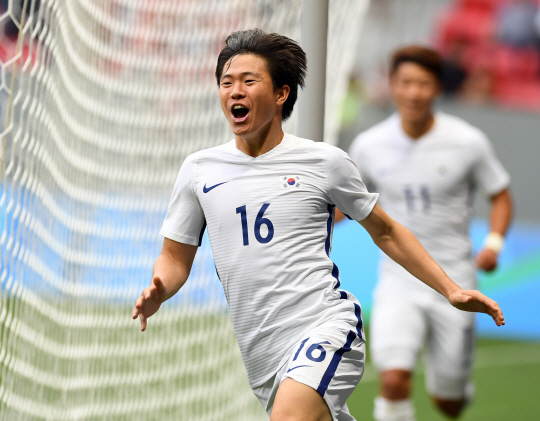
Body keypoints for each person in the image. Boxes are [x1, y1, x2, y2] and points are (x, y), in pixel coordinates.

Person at [132, 31, 504, 421]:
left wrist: (451, 290)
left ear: (281, 94)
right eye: (227, 82)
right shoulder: (198, 170)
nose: (235, 91)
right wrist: (160, 289)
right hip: (260, 350)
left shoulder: (324, 162)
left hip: (325, 325)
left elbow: (386, 231)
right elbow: (174, 257)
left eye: (248, 81)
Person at [340, 46, 513, 421]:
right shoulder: (368, 146)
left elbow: (500, 196)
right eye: (405, 83)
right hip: (398, 282)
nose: (413, 93)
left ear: (437, 89)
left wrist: (494, 244)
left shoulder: (467, 141)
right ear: (392, 86)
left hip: (457, 282)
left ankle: (455, 387)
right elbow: (347, 205)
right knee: (393, 382)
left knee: (448, 404)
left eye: (423, 84)